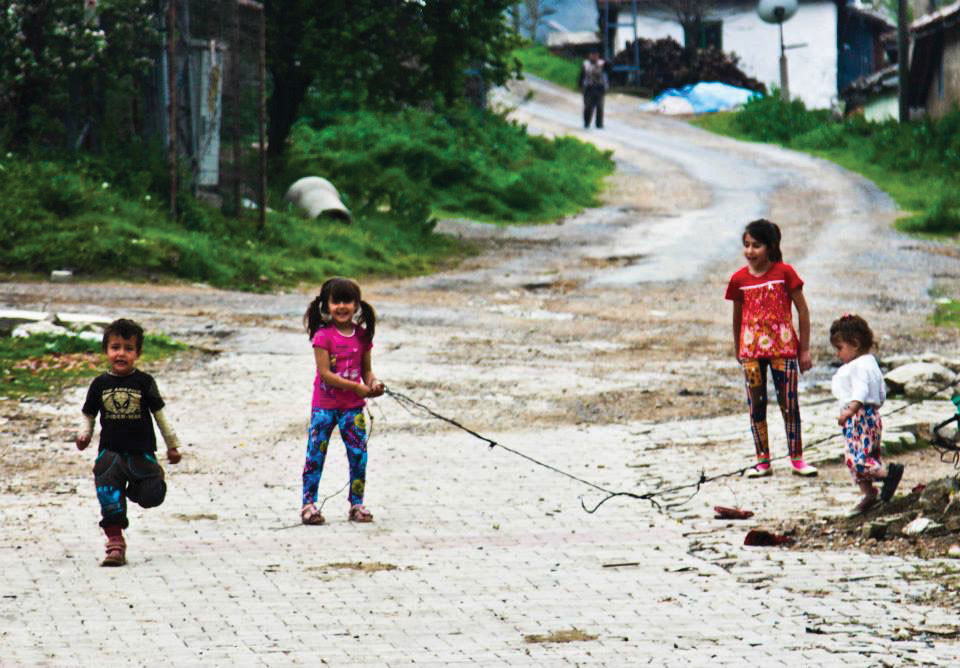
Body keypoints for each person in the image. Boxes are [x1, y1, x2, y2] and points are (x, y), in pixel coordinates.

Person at [76, 318, 182, 566]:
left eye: (128, 348)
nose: (121, 353)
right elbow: (88, 413)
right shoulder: (99, 384)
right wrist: (84, 435)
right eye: (115, 347)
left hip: (141, 453)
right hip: (110, 453)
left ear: (137, 353)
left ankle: (141, 486)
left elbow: (160, 415)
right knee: (108, 495)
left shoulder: (144, 382)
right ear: (106, 351)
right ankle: (115, 543)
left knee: (151, 497)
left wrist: (172, 445)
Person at [725, 219, 818, 478]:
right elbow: (737, 317)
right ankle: (762, 460)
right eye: (746, 245)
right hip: (751, 353)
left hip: (784, 350)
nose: (750, 251)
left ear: (770, 246)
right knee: (756, 405)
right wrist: (738, 348)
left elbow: (803, 310)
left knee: (789, 403)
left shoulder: (785, 273)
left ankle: (797, 458)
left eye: (756, 245)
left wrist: (805, 349)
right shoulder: (738, 280)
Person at [300, 277, 384, 525]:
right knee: (315, 455)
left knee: (358, 455)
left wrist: (373, 383)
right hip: (324, 408)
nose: (342, 307)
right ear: (327, 305)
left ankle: (356, 504)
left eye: (347, 301)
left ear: (356, 304)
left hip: (353, 409)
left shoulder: (362, 336)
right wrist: (357, 387)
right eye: (336, 302)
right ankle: (308, 504)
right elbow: (325, 374)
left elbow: (366, 370)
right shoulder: (322, 337)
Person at [830, 314, 903, 516]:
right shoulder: (871, 363)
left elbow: (861, 391)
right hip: (871, 417)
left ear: (854, 343)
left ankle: (889, 474)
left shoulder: (860, 366)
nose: (838, 354)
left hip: (860, 418)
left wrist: (850, 411)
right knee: (861, 455)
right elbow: (881, 393)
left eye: (840, 348)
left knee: (857, 458)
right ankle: (869, 494)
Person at [579, 50, 608, 129]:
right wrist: (580, 86)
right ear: (589, 56)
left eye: (596, 55)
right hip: (589, 88)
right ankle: (586, 123)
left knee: (600, 106)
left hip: (600, 88)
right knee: (588, 106)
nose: (594, 57)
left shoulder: (602, 63)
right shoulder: (586, 64)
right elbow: (581, 76)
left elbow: (609, 70)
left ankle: (599, 124)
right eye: (593, 55)